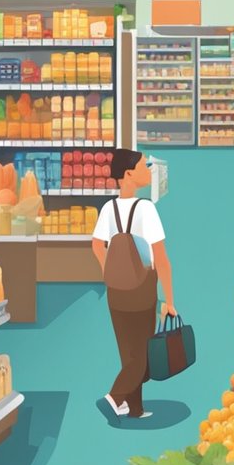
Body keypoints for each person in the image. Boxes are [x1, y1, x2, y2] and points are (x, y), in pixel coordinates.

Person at [90, 149, 176, 420]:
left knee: (128, 350)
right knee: (142, 354)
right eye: (143, 166)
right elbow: (160, 258)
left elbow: (96, 246)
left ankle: (134, 408)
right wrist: (169, 300)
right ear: (128, 174)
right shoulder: (146, 210)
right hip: (141, 288)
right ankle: (114, 397)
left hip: (116, 290)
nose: (149, 170)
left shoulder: (108, 209)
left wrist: (111, 273)